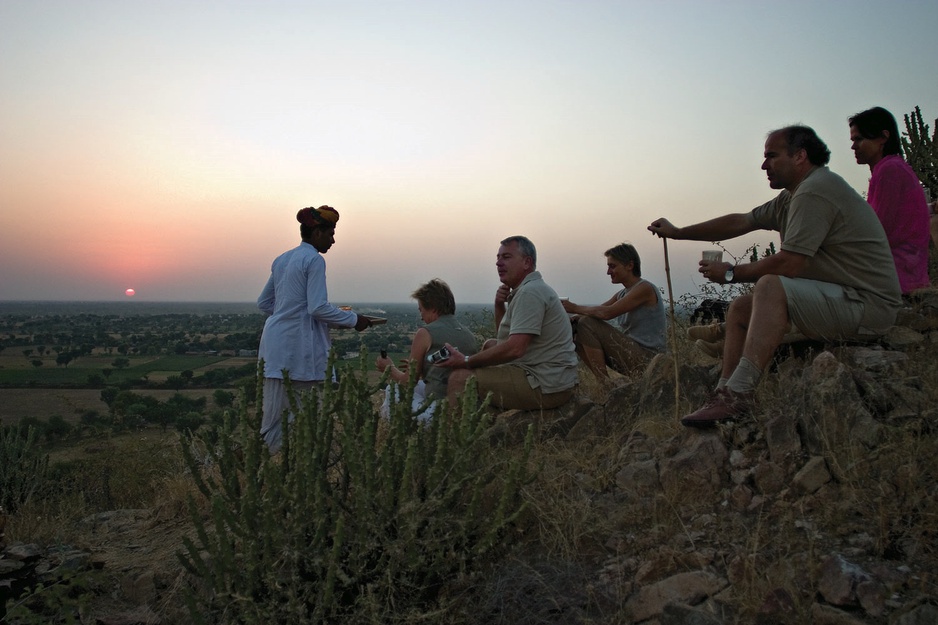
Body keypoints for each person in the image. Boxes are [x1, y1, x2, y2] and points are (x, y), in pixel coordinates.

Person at [648, 125, 902, 427]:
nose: (763, 165)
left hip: (868, 306)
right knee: (742, 307)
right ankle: (724, 392)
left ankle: (740, 393)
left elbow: (789, 265)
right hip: (842, 297)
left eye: (772, 156)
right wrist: (678, 233)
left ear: (800, 156)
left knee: (770, 284)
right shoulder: (792, 196)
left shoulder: (815, 190)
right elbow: (742, 221)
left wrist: (732, 273)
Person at [257, 205, 372, 452]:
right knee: (304, 415)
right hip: (297, 348)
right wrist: (354, 319)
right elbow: (317, 308)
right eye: (330, 233)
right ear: (317, 232)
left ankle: (266, 465)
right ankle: (287, 466)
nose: (333, 240)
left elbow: (264, 303)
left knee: (273, 415)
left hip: (274, 343)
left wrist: (289, 316)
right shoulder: (314, 260)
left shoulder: (282, 259)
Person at [436, 236, 579, 410]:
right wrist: (499, 305)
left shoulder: (530, 293)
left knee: (459, 378)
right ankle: (487, 420)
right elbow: (504, 339)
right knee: (490, 345)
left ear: (527, 262)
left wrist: (466, 361)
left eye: (506, 257)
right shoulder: (527, 290)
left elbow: (515, 348)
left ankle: (455, 435)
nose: (498, 263)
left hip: (545, 383)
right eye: (498, 258)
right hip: (551, 378)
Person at [849, 106, 931, 294]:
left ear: (883, 137)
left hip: (896, 276)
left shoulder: (890, 170)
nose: (853, 146)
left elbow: (877, 230)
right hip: (902, 273)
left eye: (859, 139)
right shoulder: (890, 168)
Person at [375, 279, 478, 421]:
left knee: (393, 390)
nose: (421, 317)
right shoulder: (469, 334)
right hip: (465, 405)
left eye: (421, 310)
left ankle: (388, 434)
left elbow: (407, 382)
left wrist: (389, 368)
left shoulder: (425, 333)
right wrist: (425, 370)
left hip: (438, 410)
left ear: (433, 308)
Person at [561, 243, 666, 380]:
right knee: (576, 327)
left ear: (629, 265)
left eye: (612, 266)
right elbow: (598, 310)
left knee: (586, 323)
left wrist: (574, 307)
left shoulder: (644, 288)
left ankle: (605, 385)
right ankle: (605, 385)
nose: (608, 272)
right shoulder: (622, 294)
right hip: (631, 354)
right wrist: (574, 316)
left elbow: (607, 313)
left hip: (650, 359)